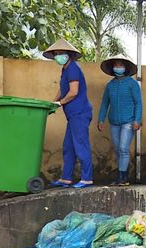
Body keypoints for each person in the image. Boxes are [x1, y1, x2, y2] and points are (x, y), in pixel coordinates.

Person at [43, 39, 94, 188]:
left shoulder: (73, 69)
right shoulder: (65, 69)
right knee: (68, 147)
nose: (58, 56)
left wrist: (60, 103)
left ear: (68, 54)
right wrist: (53, 101)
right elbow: (63, 89)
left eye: (60, 53)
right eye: (56, 54)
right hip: (73, 116)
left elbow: (73, 92)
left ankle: (87, 178)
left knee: (81, 145)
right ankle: (66, 178)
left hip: (80, 114)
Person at [97, 54, 142, 186]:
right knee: (117, 149)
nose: (118, 67)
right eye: (116, 65)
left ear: (125, 68)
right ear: (112, 68)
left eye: (120, 65)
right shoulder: (110, 85)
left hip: (129, 121)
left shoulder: (132, 84)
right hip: (114, 122)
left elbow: (138, 103)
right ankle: (121, 176)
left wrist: (137, 120)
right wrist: (101, 119)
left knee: (123, 148)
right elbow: (105, 103)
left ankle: (123, 177)